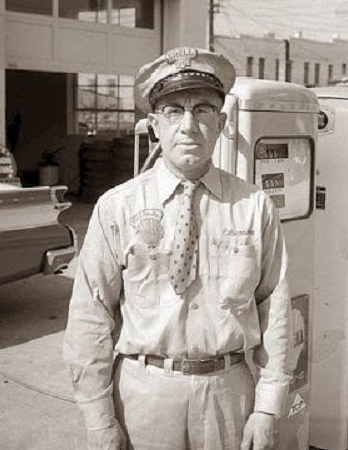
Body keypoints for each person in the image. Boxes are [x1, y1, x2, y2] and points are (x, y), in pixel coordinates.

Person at [64, 46, 292, 450]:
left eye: (203, 109)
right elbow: (90, 316)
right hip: (144, 395)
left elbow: (274, 310)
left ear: (221, 123)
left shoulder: (254, 206)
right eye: (173, 111)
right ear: (154, 125)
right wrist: (98, 418)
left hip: (229, 395)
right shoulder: (118, 206)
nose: (188, 125)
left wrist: (268, 407)